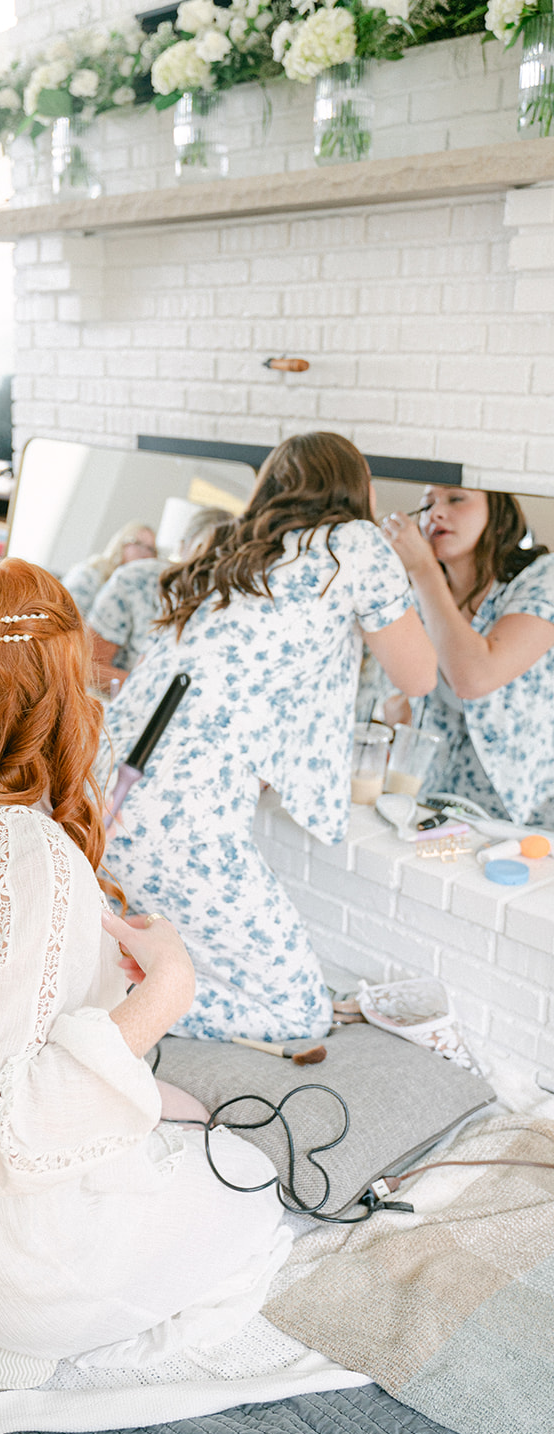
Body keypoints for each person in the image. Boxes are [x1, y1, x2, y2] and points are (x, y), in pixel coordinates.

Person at [0, 557, 290, 1367]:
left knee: (168, 1108)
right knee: (250, 1186)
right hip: (9, 1275)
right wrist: (167, 991)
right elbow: (8, 1133)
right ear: (61, 693)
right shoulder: (26, 855)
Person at [101, 433, 437, 1044]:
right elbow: (419, 676)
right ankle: (103, 1006)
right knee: (298, 1014)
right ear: (356, 490)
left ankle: (116, 990)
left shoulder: (231, 553)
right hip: (181, 818)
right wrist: (417, 567)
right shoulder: (354, 545)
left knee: (166, 949)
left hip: (104, 791)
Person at [381, 487, 554, 826]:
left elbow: (474, 678)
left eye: (456, 499)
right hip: (433, 803)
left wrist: (423, 570)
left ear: (500, 518)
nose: (436, 513)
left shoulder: (541, 579)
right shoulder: (416, 596)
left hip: (525, 814)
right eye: (427, 504)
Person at [87, 507, 233, 690]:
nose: (208, 571)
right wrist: (150, 693)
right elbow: (89, 669)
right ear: (182, 547)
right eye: (204, 553)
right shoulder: (135, 580)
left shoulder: (229, 607)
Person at [61, 519, 157, 619]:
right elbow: (66, 615)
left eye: (151, 549)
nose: (145, 552)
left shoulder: (140, 592)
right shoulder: (90, 572)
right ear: (121, 543)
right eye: (137, 543)